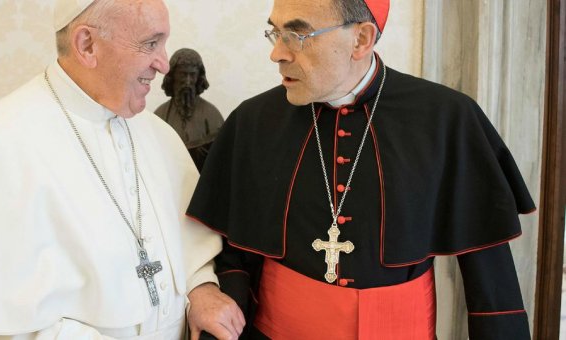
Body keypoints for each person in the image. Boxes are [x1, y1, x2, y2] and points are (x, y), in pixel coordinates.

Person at [187, 0, 535, 339]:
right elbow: (234, 252)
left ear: (361, 39)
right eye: (274, 33)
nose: (277, 53)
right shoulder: (254, 121)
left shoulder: (447, 120)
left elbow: (492, 285)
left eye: (297, 35)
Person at [0, 0, 243, 339]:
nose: (163, 63)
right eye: (150, 43)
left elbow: (192, 248)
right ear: (87, 45)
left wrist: (202, 290)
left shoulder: (156, 133)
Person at [154, 48, 224, 171]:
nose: (187, 81)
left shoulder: (212, 115)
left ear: (199, 77)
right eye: (182, 74)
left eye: (192, 75)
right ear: (173, 76)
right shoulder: (160, 116)